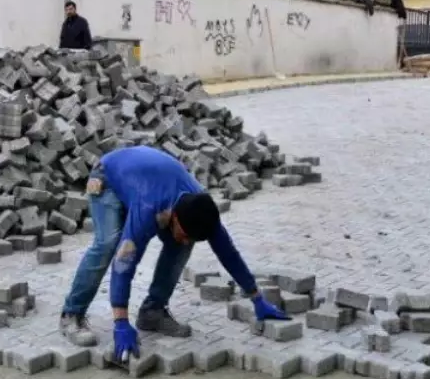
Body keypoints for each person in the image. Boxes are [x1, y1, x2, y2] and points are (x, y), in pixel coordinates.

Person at [59, 145, 289, 362]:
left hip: (147, 177)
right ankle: (71, 314)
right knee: (108, 243)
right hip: (107, 176)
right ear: (174, 217)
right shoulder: (149, 208)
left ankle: (153, 312)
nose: (187, 238)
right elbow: (124, 263)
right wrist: (120, 321)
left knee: (181, 244)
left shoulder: (201, 208)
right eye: (184, 232)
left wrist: (257, 298)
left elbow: (229, 254)